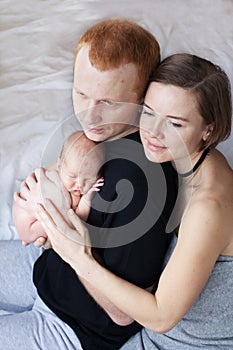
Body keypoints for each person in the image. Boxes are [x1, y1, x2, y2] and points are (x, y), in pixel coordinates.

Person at [0, 19, 178, 350]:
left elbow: (124, 315)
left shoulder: (142, 184)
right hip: (43, 270)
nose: (90, 115)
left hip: (71, 326)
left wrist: (69, 243)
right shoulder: (98, 142)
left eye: (108, 102)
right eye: (81, 94)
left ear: (143, 99)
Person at [36, 53, 233, 349]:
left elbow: (160, 316)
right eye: (150, 113)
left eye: (175, 124)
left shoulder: (209, 205)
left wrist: (78, 256)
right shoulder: (190, 156)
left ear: (209, 129)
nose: (152, 133)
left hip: (175, 342)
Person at [12, 131, 105, 243]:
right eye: (72, 176)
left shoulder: (66, 169)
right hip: (30, 224)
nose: (79, 184)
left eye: (88, 179)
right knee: (69, 222)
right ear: (60, 165)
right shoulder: (59, 181)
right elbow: (78, 219)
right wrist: (86, 199)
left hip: (28, 219)